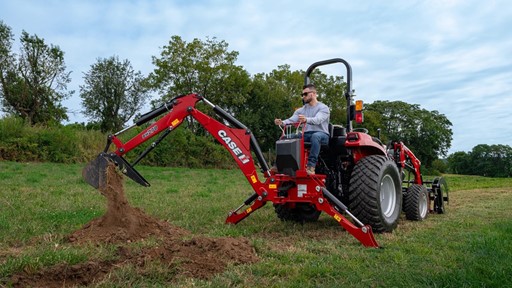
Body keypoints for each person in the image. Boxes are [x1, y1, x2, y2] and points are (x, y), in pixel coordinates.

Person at [274, 84, 330, 175]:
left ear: (313, 94)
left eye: (305, 94)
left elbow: (318, 120)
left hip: (322, 134)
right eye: (302, 94)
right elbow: (292, 119)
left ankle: (311, 166)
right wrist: (282, 122)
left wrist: (306, 119)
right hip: (306, 134)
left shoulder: (323, 108)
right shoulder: (301, 110)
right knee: (285, 137)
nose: (303, 96)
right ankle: (278, 165)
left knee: (315, 136)